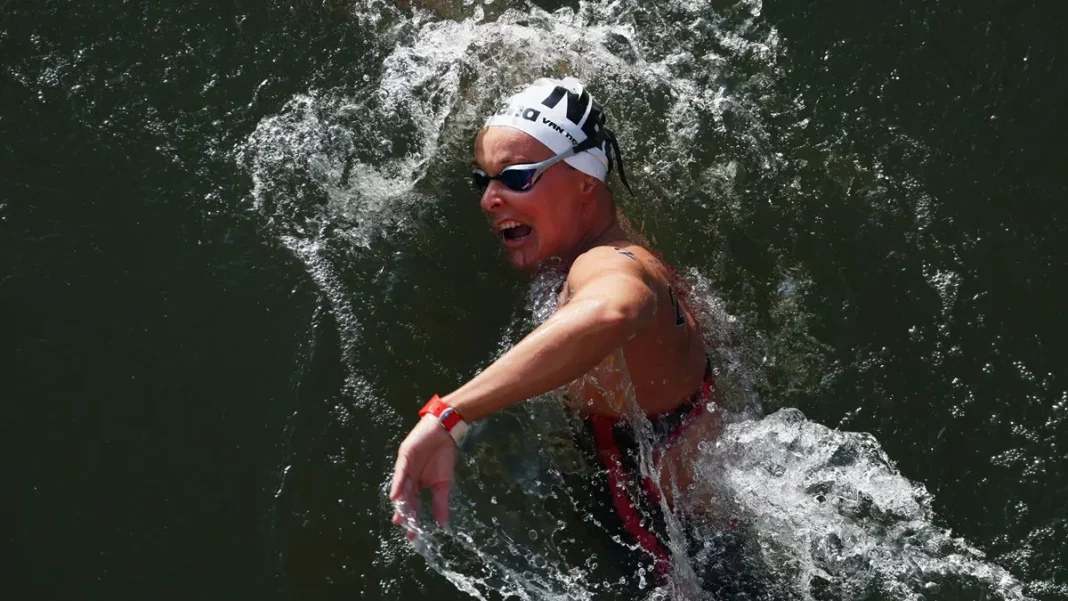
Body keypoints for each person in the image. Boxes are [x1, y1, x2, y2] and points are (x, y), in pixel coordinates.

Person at [389, 77, 722, 581]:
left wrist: (448, 415)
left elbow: (614, 309)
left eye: (517, 177)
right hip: (667, 471)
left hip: (669, 536)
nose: (489, 199)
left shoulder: (608, 263)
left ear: (585, 182)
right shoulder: (607, 232)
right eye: (484, 181)